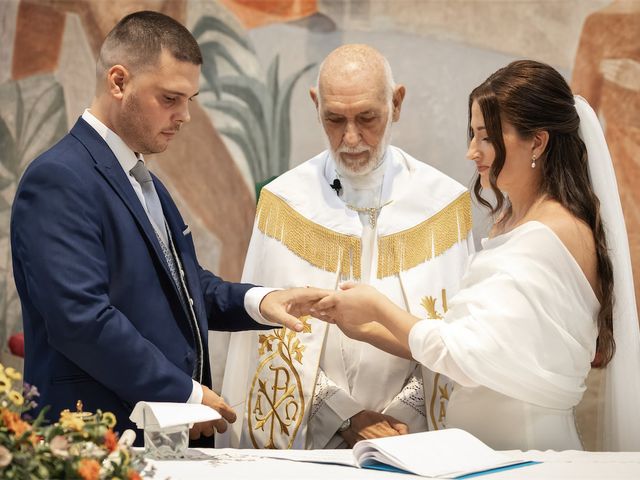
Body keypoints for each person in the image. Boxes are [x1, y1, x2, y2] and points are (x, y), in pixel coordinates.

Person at [10, 10, 322, 444]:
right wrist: (185, 394)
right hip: (92, 438)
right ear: (118, 82)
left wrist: (261, 300)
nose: (185, 116)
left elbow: (183, 287)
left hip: (157, 441)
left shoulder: (145, 180)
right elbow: (80, 319)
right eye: (170, 99)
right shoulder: (59, 178)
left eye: (189, 100)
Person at [311, 60, 640, 451]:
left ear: (537, 141)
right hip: (489, 452)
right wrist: (369, 330)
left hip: (530, 452)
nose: (472, 152)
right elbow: (477, 341)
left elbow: (468, 358)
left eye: (486, 137)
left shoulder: (553, 232)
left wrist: (380, 309)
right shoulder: (512, 221)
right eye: (473, 134)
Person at [218, 44, 474, 450]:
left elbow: (456, 337)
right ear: (315, 104)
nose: (351, 137)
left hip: (414, 437)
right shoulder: (285, 203)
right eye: (334, 119)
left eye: (367, 118)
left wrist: (400, 415)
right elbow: (268, 343)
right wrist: (345, 416)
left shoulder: (442, 205)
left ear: (397, 102)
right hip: (316, 441)